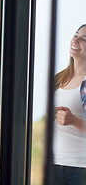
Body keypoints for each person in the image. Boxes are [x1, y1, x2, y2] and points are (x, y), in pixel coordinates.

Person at [53, 24, 86, 185]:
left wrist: (73, 120)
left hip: (80, 169)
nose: (76, 40)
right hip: (53, 165)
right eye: (76, 35)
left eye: (84, 39)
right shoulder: (59, 79)